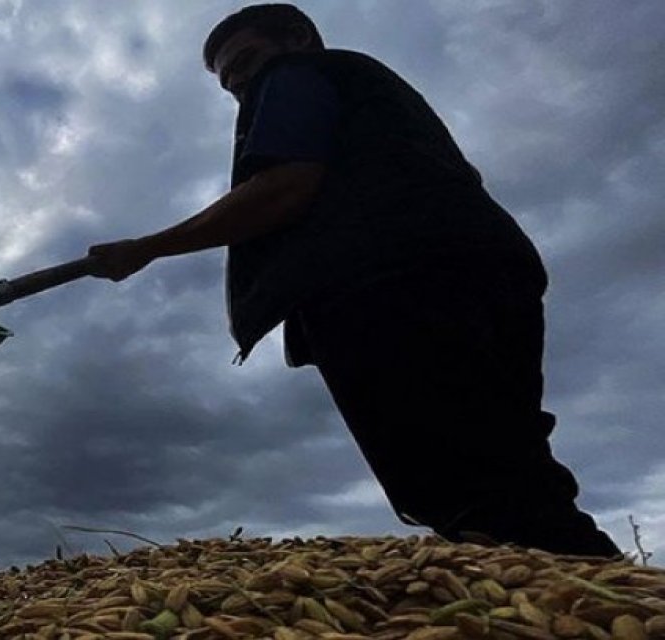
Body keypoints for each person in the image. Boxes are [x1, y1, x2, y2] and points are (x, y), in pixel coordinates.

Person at [86, 3, 622, 558]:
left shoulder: (297, 75)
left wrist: (146, 249)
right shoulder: (376, 98)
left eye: (246, 61)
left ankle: (574, 604)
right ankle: (603, 595)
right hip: (485, 264)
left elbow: (286, 185)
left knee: (458, 480)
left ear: (297, 39)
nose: (242, 82)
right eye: (229, 81)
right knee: (508, 458)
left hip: (391, 283)